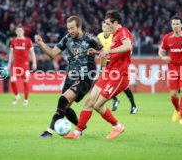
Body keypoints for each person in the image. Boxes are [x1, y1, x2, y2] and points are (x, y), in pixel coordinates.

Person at [65, 10, 133, 139]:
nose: (106, 27)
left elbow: (128, 46)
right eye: (105, 24)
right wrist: (97, 52)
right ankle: (77, 133)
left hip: (119, 75)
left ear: (116, 22)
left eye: (108, 24)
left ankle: (117, 126)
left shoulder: (123, 32)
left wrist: (109, 50)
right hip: (108, 72)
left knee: (98, 105)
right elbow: (112, 54)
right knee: (90, 101)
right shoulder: (115, 35)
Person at [35, 15, 103, 138]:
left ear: (79, 27)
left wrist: (102, 71)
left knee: (62, 99)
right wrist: (41, 44)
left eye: (72, 28)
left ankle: (49, 131)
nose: (70, 31)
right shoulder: (67, 39)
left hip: (84, 77)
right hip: (70, 76)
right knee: (65, 109)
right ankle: (80, 127)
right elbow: (52, 54)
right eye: (68, 28)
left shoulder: (91, 39)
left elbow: (104, 53)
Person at [97, 20, 138, 114]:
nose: (106, 28)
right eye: (103, 27)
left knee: (124, 87)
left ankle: (133, 105)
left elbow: (121, 48)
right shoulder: (99, 36)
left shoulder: (114, 35)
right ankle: (115, 99)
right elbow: (101, 51)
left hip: (115, 64)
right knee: (101, 85)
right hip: (105, 63)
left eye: (107, 26)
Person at [7, 25, 37, 105]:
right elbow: (11, 53)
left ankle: (26, 100)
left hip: (25, 65)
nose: (19, 32)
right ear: (16, 32)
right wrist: (9, 63)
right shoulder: (13, 41)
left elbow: (32, 53)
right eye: (18, 31)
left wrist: (34, 62)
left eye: (21, 31)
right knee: (12, 80)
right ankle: (17, 95)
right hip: (16, 64)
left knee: (25, 82)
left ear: (23, 32)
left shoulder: (28, 40)